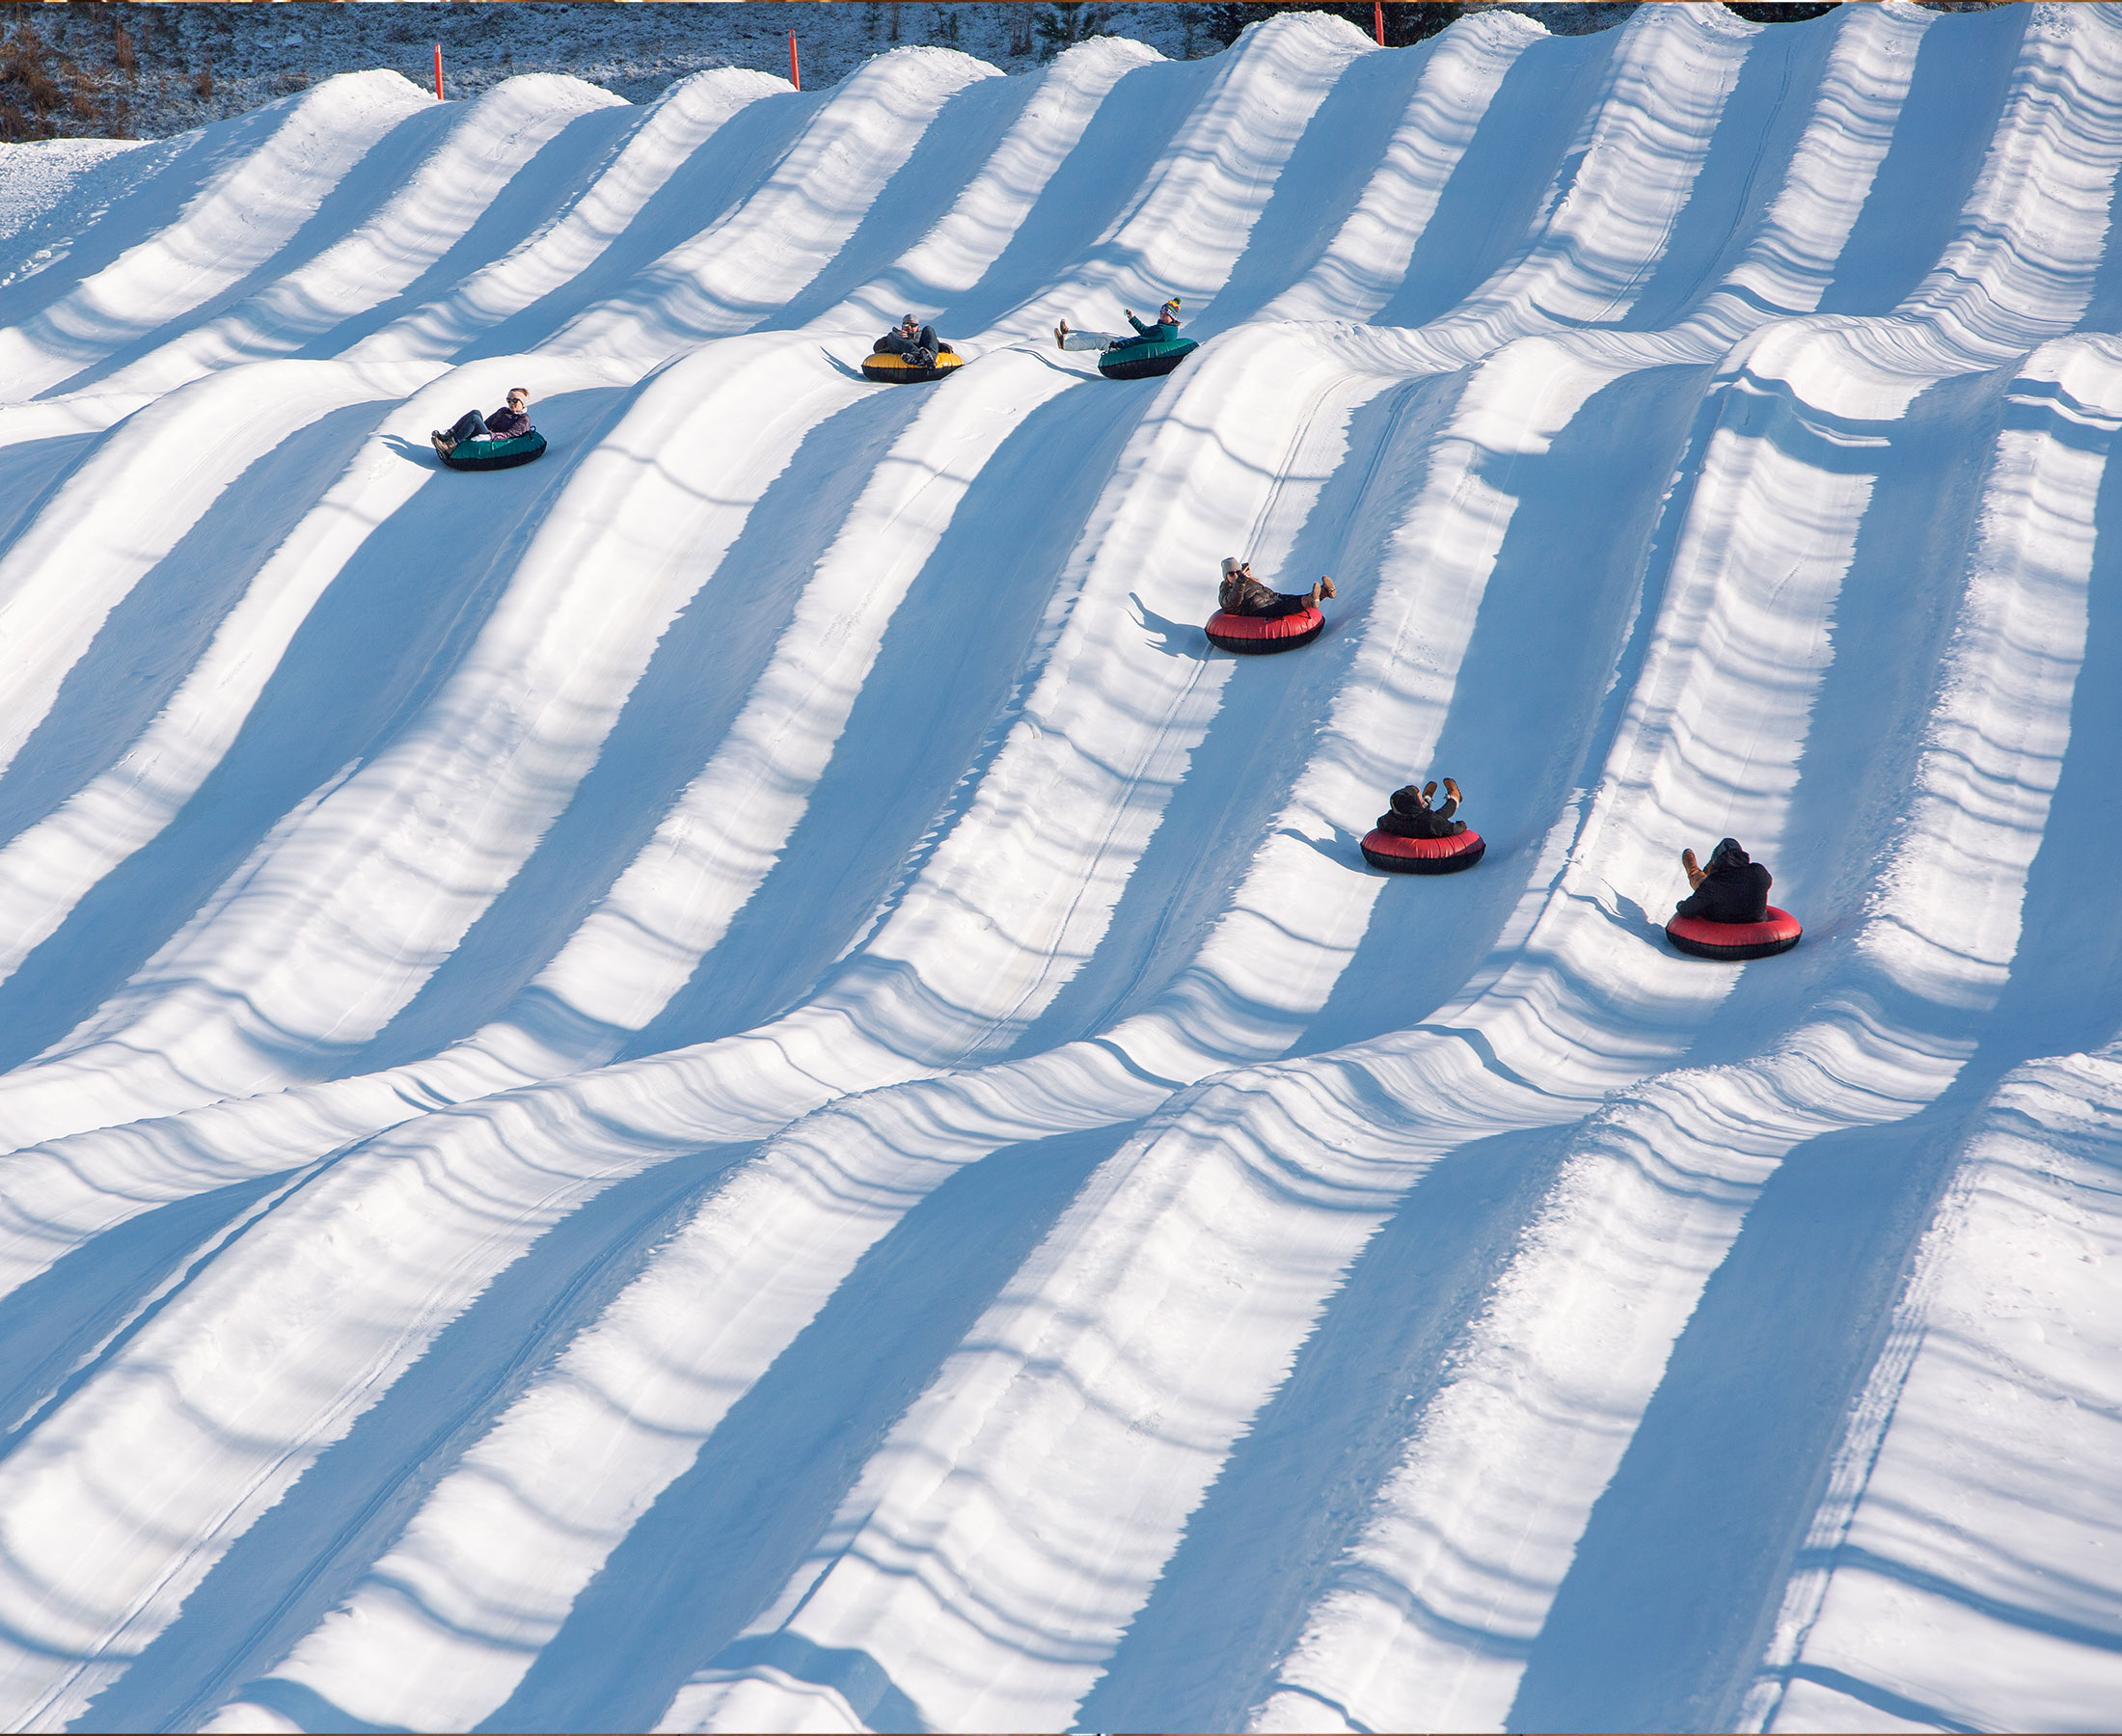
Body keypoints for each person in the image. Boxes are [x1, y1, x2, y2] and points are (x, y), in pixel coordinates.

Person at [1675, 837, 1773, 924]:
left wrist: (1680, 905)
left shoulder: (1713, 884)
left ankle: (1695, 864)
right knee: (1706, 885)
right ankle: (1700, 865)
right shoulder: (1758, 871)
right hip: (1757, 924)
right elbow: (1767, 883)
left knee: (1699, 880)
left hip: (1723, 926)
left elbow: (1686, 910)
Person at [1217, 556, 1334, 617]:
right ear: (1225, 577)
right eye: (1231, 574)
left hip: (1271, 598)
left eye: (1238, 572)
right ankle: (1310, 600)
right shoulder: (1225, 591)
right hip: (1260, 610)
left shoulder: (1247, 581)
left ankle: (1323, 592)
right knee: (1286, 606)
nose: (1236, 576)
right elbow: (1233, 602)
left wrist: (1276, 596)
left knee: (1292, 598)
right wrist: (1241, 580)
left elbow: (1263, 590)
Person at [433, 387, 532, 457]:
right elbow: (487, 423)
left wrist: (489, 436)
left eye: (515, 401)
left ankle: (450, 445)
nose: (511, 403)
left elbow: (509, 435)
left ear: (522, 402)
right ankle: (448, 435)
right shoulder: (503, 410)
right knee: (475, 413)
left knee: (474, 419)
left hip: (494, 438)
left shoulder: (523, 419)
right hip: (487, 432)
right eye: (509, 400)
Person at [1055, 296, 1183, 351]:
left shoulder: (1163, 330)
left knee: (1100, 340)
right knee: (1104, 334)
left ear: (1172, 317)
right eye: (1161, 313)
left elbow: (1141, 340)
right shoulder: (1166, 328)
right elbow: (1146, 332)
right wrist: (1132, 318)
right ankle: (1068, 332)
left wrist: (1119, 345)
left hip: (1133, 350)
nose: (1161, 316)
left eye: (1165, 315)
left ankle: (1065, 344)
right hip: (1134, 347)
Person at [1377, 778, 1466, 840]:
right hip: (1426, 835)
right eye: (1419, 799)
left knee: (1432, 816)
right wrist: (1461, 824)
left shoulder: (1390, 818)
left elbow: (1380, 823)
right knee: (1440, 815)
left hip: (1412, 824)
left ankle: (1427, 798)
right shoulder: (1431, 821)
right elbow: (1454, 829)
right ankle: (1454, 798)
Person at [876, 313, 944, 366]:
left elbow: (933, 343)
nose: (909, 327)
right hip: (906, 351)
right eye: (906, 324)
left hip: (923, 352)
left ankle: (930, 359)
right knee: (891, 335)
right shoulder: (895, 336)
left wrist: (942, 346)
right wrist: (896, 336)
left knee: (929, 329)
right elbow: (877, 348)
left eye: (913, 325)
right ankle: (916, 355)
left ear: (918, 327)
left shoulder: (923, 336)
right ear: (902, 326)